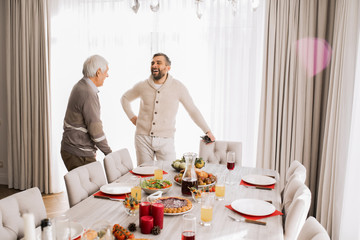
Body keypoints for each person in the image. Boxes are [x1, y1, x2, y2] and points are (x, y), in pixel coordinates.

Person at [121, 53, 215, 165]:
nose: (154, 65)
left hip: (166, 140)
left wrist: (207, 131)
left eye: (158, 63)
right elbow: (125, 98)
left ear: (168, 68)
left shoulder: (178, 87)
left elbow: (192, 110)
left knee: (169, 173)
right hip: (143, 139)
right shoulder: (142, 86)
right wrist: (132, 118)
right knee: (144, 174)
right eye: (152, 63)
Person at [61, 55, 112, 171]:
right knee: (94, 189)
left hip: (73, 150)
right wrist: (109, 154)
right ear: (98, 72)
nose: (107, 75)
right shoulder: (88, 93)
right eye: (106, 72)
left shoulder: (80, 85)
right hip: (78, 153)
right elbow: (96, 131)